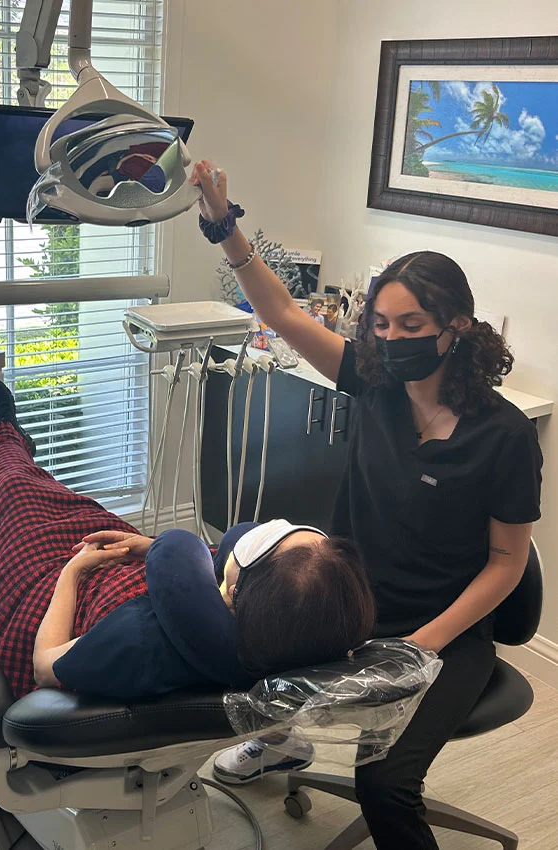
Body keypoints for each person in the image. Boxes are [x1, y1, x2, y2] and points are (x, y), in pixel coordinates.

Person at [191, 160, 542, 849]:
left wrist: (422, 645)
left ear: (457, 326)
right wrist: (223, 227)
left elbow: (507, 563)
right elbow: (284, 314)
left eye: (411, 323)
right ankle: (283, 745)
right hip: (352, 602)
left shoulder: (502, 437)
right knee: (242, 648)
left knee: (385, 786)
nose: (391, 338)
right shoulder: (374, 382)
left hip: (443, 633)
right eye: (381, 323)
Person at [0, 377, 376, 729]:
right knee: (58, 498)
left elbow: (45, 664)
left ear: (235, 591)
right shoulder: (280, 633)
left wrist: (72, 574)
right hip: (123, 565)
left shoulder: (138, 641)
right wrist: (148, 549)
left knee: (14, 498)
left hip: (61, 584)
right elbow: (215, 576)